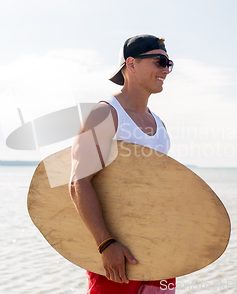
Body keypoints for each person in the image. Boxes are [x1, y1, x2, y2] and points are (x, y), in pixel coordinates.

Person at [69, 35, 176, 294]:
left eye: (169, 63)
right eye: (159, 61)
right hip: (117, 254)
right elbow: (78, 182)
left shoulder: (160, 125)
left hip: (159, 250)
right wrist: (105, 243)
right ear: (131, 64)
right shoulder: (105, 114)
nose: (165, 69)